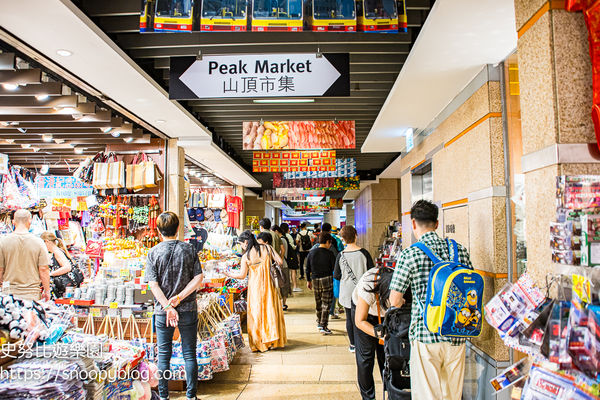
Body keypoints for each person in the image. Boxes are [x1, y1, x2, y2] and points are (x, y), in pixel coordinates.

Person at [389, 200, 473, 400]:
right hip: (457, 332)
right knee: (452, 394)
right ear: (437, 223)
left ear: (413, 223)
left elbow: (394, 299)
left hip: (426, 333)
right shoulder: (459, 250)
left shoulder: (410, 254)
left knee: (428, 394)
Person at [146, 212, 204, 400]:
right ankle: (191, 396)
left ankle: (163, 396)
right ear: (178, 228)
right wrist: (179, 298)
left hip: (162, 311)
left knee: (163, 355)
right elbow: (198, 278)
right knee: (189, 353)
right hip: (188, 308)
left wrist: (168, 306)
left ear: (158, 230)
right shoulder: (189, 249)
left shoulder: (153, 252)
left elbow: (153, 284)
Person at [353, 266, 410, 400]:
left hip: (386, 316)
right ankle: (368, 397)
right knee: (365, 359)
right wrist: (378, 334)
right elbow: (359, 321)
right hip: (365, 316)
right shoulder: (369, 285)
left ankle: (390, 393)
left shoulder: (401, 284)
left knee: (388, 357)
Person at [225, 230, 287, 352]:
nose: (242, 246)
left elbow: (242, 275)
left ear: (246, 242)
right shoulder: (267, 248)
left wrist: (229, 274)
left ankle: (259, 342)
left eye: (242, 244)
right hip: (269, 286)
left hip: (255, 287)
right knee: (270, 310)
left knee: (256, 313)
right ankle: (272, 340)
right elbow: (280, 261)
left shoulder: (246, 256)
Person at [334, 225, 374, 353]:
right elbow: (371, 271)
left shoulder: (341, 255)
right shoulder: (364, 253)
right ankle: (363, 343)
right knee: (363, 317)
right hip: (363, 292)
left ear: (343, 239)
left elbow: (336, 275)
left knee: (349, 319)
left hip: (347, 292)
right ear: (356, 235)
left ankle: (353, 344)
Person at [0, 210, 51, 301]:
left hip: (9, 294)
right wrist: (47, 291)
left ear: (13, 222)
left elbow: (0, 269)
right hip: (31, 293)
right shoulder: (38, 242)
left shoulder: (3, 242)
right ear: (30, 221)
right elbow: (43, 269)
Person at [306, 233, 336, 335]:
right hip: (327, 279)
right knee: (326, 303)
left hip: (315, 280)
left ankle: (319, 322)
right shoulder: (329, 254)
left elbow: (307, 267)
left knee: (318, 302)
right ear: (327, 242)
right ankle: (324, 325)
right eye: (330, 243)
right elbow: (334, 268)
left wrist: (308, 280)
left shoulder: (311, 252)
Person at [311, 223, 342, 319]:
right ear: (330, 230)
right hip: (329, 273)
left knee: (319, 297)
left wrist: (309, 277)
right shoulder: (335, 240)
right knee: (330, 294)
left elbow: (309, 259)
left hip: (317, 275)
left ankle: (320, 317)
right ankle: (330, 312)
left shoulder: (317, 241)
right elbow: (340, 252)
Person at [40, 231, 82, 299]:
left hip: (64, 287)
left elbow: (67, 267)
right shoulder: (57, 251)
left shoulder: (57, 252)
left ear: (47, 242)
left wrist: (50, 274)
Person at [272, 225, 292, 311]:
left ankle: (283, 303)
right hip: (282, 264)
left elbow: (283, 251)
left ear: (276, 231)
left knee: (283, 284)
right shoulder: (281, 239)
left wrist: (280, 260)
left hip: (282, 265)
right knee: (282, 283)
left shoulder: (281, 240)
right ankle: (282, 303)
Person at [281, 223, 300, 292]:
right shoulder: (288, 236)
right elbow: (293, 246)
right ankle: (295, 286)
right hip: (291, 256)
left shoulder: (280, 237)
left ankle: (288, 286)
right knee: (293, 270)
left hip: (284, 257)